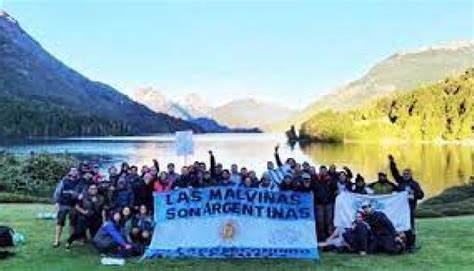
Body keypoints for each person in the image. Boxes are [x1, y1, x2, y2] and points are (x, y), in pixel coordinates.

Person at [389, 155, 424, 251]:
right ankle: (402, 243)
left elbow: (421, 195)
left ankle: (412, 245)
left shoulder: (414, 184)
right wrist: (392, 162)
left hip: (410, 209)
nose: (405, 175)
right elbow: (394, 173)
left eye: (407, 174)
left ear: (410, 175)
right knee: (400, 226)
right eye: (404, 173)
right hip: (400, 210)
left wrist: (414, 195)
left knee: (410, 226)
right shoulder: (400, 181)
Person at [65, 184, 105, 250]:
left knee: (96, 235)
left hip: (96, 218)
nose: (93, 190)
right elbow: (77, 206)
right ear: (88, 189)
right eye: (91, 188)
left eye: (95, 189)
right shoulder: (83, 196)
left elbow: (102, 210)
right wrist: (84, 212)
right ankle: (69, 242)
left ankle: (98, 246)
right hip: (84, 217)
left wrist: (103, 220)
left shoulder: (101, 198)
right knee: (77, 232)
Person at [52, 167, 85, 247]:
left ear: (78, 172)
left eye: (75, 170)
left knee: (72, 223)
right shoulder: (64, 180)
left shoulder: (80, 181)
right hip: (63, 204)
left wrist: (80, 195)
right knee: (60, 222)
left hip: (73, 205)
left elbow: (82, 192)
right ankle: (57, 240)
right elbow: (57, 191)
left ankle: (70, 241)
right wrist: (56, 202)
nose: (74, 172)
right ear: (70, 172)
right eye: (72, 170)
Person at [313, 165, 338, 241]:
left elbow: (335, 188)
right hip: (319, 203)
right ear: (319, 171)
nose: (323, 172)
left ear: (326, 171)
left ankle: (330, 236)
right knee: (320, 221)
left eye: (324, 170)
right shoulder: (315, 179)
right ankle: (321, 237)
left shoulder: (330, 179)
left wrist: (330, 181)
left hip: (328, 203)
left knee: (329, 221)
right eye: (321, 170)